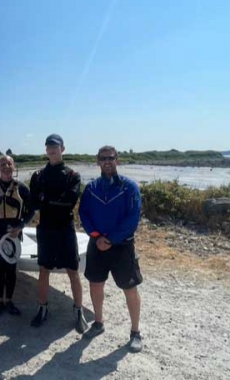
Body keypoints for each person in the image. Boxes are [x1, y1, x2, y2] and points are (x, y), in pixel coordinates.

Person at [79, 145, 143, 352]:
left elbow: (132, 219)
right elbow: (84, 213)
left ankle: (135, 332)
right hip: (97, 243)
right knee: (95, 284)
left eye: (111, 158)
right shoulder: (91, 188)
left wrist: (112, 239)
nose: (107, 161)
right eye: (103, 158)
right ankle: (98, 323)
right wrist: (96, 237)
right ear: (97, 161)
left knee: (129, 287)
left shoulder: (129, 187)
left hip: (122, 245)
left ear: (118, 160)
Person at [29, 134, 87, 333]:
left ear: (63, 149)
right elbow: (34, 202)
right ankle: (42, 308)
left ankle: (79, 311)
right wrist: (52, 199)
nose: (52, 150)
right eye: (49, 147)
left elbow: (69, 202)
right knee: (43, 270)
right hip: (46, 229)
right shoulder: (38, 176)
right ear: (46, 150)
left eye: (55, 146)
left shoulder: (73, 176)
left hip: (65, 229)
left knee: (72, 271)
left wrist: (46, 198)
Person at [0, 155, 34, 317]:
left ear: (14, 167)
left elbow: (31, 211)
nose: (6, 166)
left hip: (13, 235)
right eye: (2, 164)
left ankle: (9, 301)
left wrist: (20, 226)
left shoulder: (22, 188)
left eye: (9, 163)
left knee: (11, 269)